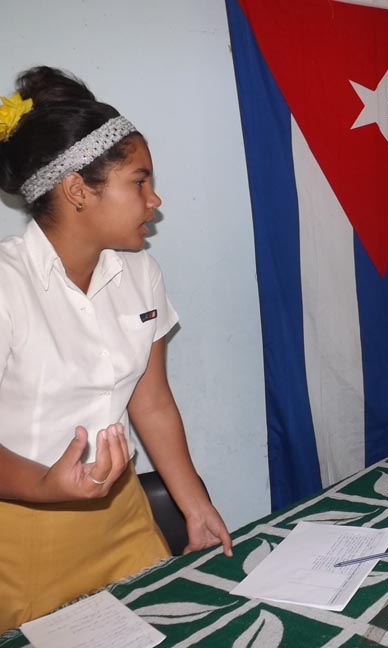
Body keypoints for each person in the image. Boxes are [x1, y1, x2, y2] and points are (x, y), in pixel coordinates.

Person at [0, 67, 232, 630]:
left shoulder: (140, 272)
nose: (155, 199)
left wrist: (194, 505)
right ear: (78, 189)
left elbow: (150, 403)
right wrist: (44, 484)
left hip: (124, 516)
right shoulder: (7, 284)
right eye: (139, 181)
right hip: (22, 532)